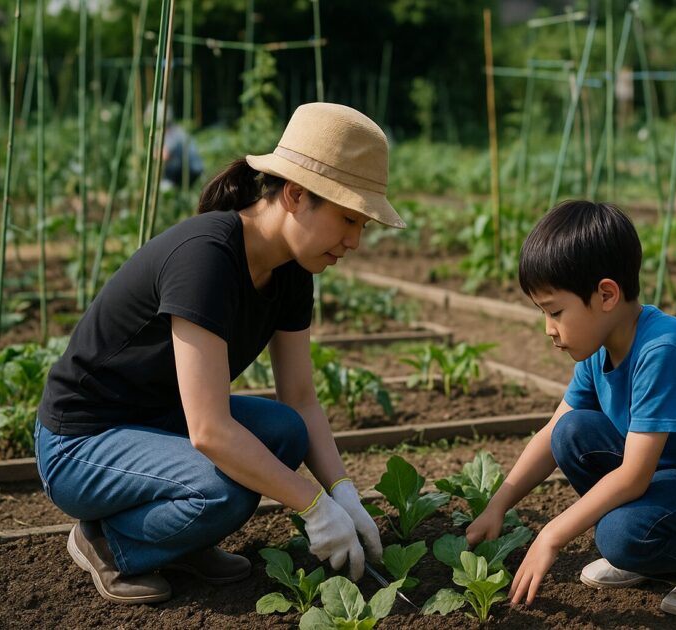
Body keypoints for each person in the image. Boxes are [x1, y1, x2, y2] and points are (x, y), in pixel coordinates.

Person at [34, 102, 406, 605]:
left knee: (285, 432)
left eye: (362, 224)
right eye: (348, 219)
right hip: (82, 442)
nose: (355, 240)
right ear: (296, 195)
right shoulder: (206, 257)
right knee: (220, 492)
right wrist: (313, 505)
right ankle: (109, 544)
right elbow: (209, 430)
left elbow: (300, 400)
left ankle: (179, 541)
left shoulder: (294, 270)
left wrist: (342, 491)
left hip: (157, 422)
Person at [466, 201, 676, 619]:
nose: (548, 329)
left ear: (606, 295)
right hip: (673, 470)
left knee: (619, 536)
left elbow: (633, 476)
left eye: (555, 311)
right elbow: (553, 433)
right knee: (571, 433)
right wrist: (497, 505)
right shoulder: (599, 349)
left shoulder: (661, 351)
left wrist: (552, 534)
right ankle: (652, 550)